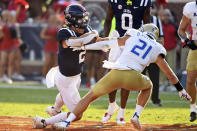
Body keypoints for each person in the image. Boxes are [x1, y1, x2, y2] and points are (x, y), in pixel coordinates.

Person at [54, 24, 192, 130]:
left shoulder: (133, 34)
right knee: (149, 85)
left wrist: (91, 44)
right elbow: (170, 74)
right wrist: (181, 90)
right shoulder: (157, 47)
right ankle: (136, 116)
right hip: (134, 77)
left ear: (142, 30)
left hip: (115, 73)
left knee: (88, 97)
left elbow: (112, 42)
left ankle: (66, 122)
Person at [32, 4, 98, 129]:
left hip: (76, 75)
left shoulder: (87, 30)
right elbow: (73, 42)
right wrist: (91, 36)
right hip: (66, 78)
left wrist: (113, 41)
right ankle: (43, 121)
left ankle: (55, 110)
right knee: (77, 114)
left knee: (63, 95)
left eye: (84, 18)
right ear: (71, 20)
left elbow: (95, 40)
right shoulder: (64, 32)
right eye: (80, 19)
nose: (83, 21)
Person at [102, 0, 152, 124]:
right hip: (118, 40)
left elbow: (147, 26)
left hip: (133, 43)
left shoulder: (143, 2)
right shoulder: (115, 1)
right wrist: (105, 39)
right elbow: (108, 20)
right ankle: (112, 105)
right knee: (112, 73)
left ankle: (122, 111)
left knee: (126, 75)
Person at [178, 0, 197, 122]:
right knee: (190, 80)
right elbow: (181, 30)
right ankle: (193, 108)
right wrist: (187, 41)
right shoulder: (190, 7)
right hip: (195, 48)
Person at [143, 2, 164, 107]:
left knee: (155, 79)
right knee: (140, 78)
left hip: (153, 55)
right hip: (141, 55)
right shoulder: (138, 19)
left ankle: (155, 99)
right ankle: (141, 100)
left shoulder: (156, 21)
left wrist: (155, 49)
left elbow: (161, 38)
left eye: (151, 8)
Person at [160, 9, 179, 89]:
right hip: (161, 50)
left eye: (168, 15)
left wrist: (178, 45)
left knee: (172, 68)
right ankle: (162, 83)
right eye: (165, 15)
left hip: (172, 50)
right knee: (162, 68)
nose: (166, 17)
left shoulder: (174, 25)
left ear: (170, 16)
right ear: (162, 16)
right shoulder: (159, 25)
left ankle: (172, 85)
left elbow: (179, 37)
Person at [40, 14, 59, 84]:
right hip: (48, 46)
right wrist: (49, 37)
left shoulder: (58, 27)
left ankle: (51, 78)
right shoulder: (47, 26)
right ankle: (43, 77)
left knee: (55, 64)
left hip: (55, 46)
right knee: (47, 63)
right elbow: (42, 35)